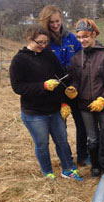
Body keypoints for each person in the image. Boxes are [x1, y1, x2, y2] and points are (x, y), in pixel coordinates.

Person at [9, 24, 83, 181]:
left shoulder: (49, 55)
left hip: (55, 109)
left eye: (45, 42)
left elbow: (61, 75)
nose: (43, 46)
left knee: (62, 141)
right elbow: (18, 87)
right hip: (34, 113)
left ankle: (68, 169)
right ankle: (48, 172)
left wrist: (66, 94)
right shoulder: (19, 60)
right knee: (42, 144)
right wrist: (42, 86)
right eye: (39, 42)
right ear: (29, 39)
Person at [69, 18, 104, 177]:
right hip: (85, 106)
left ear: (93, 34)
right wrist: (73, 89)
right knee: (92, 138)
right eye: (78, 37)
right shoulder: (77, 58)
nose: (82, 40)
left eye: (85, 36)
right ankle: (96, 166)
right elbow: (75, 80)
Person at [39, 5, 89, 166]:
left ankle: (82, 155)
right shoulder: (44, 40)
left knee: (81, 122)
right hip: (55, 90)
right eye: (51, 22)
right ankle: (66, 159)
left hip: (74, 86)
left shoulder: (70, 38)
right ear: (46, 23)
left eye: (57, 21)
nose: (55, 25)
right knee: (61, 127)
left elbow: (82, 54)